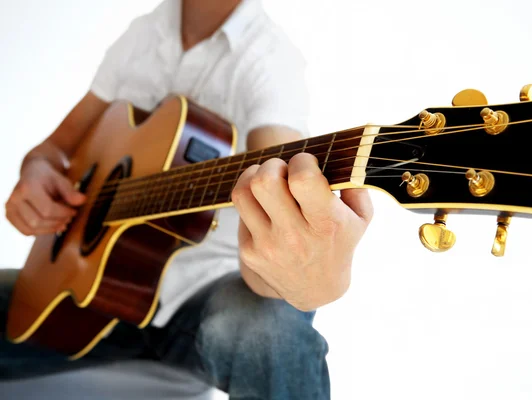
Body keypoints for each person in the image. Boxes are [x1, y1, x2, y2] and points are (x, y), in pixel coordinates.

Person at [1, 0, 373, 398]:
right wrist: (36, 171)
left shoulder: (270, 61)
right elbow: (53, 150)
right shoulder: (142, 34)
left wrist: (296, 265)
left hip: (205, 301)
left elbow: (278, 180)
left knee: (272, 329)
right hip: (89, 296)